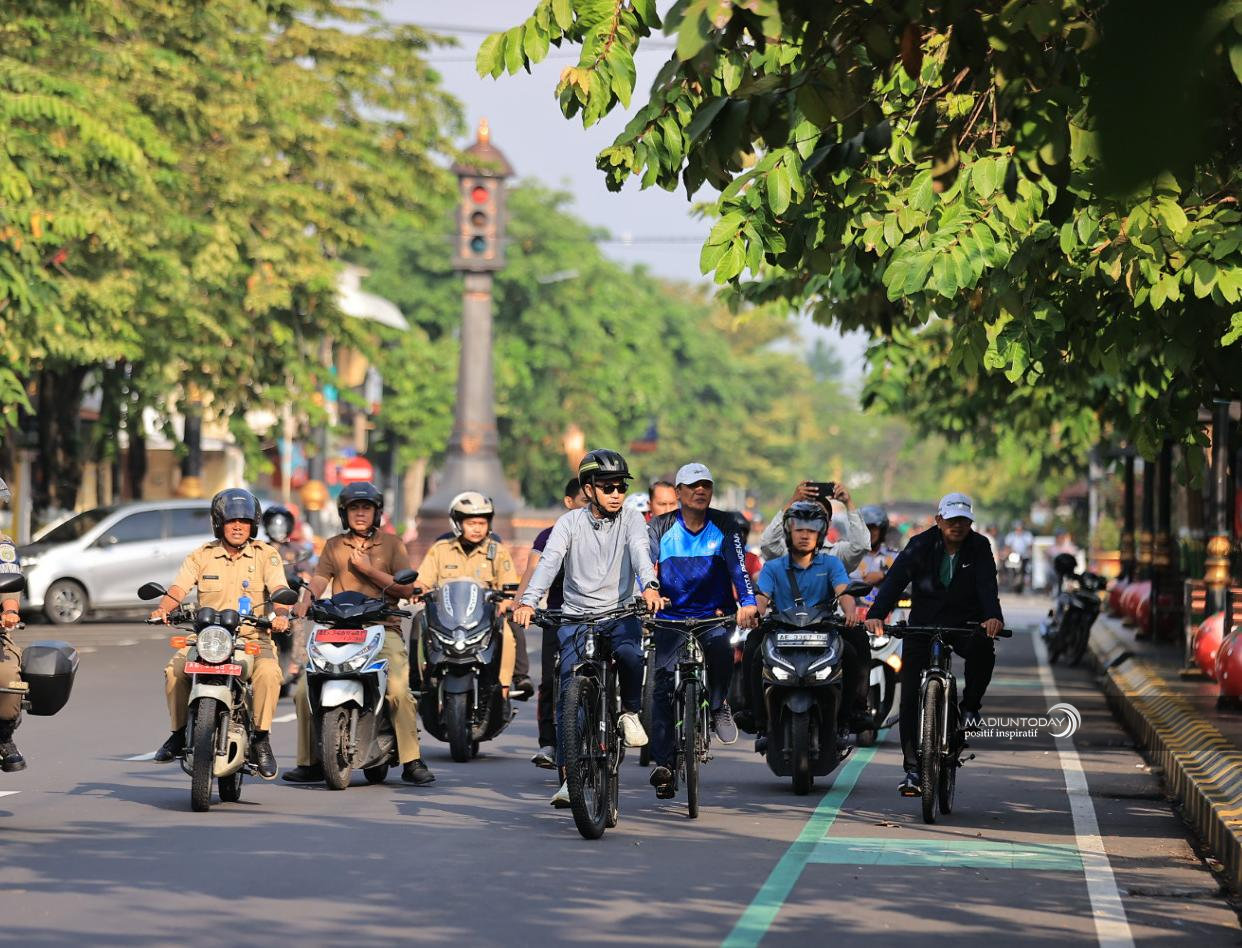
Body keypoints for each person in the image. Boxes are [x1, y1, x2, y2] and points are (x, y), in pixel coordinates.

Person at [512, 449, 663, 808]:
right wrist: (528, 602)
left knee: (630, 655)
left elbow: (641, 553)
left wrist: (650, 586)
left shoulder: (632, 519)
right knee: (569, 694)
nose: (616, 494)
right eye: (608, 487)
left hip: (620, 612)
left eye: (621, 487)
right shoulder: (568, 523)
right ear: (589, 489)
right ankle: (570, 779)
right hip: (577, 617)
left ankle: (629, 713)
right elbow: (548, 563)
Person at [283, 481, 434, 786]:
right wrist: (305, 601)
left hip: (382, 628)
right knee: (302, 692)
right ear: (344, 513)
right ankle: (310, 762)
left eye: (366, 508)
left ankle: (411, 760)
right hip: (338, 629)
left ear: (377, 513)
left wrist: (367, 570)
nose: (361, 513)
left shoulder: (392, 544)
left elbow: (406, 589)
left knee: (398, 691)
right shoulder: (333, 545)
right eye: (354, 508)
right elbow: (319, 579)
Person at [865, 492, 1004, 797]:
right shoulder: (920, 544)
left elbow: (987, 585)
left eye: (963, 520)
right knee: (909, 695)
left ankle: (970, 708)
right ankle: (913, 770)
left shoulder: (980, 546)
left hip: (965, 623)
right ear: (939, 520)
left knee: (984, 649)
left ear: (970, 523)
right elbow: (895, 580)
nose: (957, 525)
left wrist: (992, 617)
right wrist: (876, 614)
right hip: (923, 625)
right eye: (951, 520)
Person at [149, 488, 292, 778]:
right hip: (207, 639)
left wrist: (281, 615)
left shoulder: (266, 555)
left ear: (253, 524)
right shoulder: (201, 555)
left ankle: (261, 739)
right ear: (219, 523)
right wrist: (162, 609)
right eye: (231, 521)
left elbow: (279, 588)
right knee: (174, 671)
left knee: (269, 674)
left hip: (251, 638)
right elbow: (178, 588)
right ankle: (178, 733)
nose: (238, 526)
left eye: (244, 521)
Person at [646, 463, 758, 797]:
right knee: (662, 684)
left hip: (714, 614)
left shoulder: (725, 525)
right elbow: (644, 565)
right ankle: (664, 764)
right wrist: (647, 591)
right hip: (671, 617)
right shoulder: (660, 526)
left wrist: (748, 602)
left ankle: (719, 703)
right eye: (693, 486)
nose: (700, 491)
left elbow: (739, 568)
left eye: (706, 485)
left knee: (722, 652)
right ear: (678, 492)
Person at [748, 501, 864, 751]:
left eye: (811, 530)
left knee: (852, 652)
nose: (805, 535)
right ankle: (758, 720)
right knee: (754, 651)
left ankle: (848, 718)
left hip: (823, 631)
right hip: (781, 631)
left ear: (820, 533)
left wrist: (851, 613)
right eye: (799, 529)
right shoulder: (773, 567)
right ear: (788, 531)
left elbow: (844, 592)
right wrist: (753, 613)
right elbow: (761, 598)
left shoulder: (831, 564)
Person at [414, 491, 522, 699]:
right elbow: (423, 580)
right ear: (457, 523)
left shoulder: (497, 551)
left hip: (485, 617)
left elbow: (509, 585)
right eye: (471, 523)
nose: (477, 528)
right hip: (446, 617)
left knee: (508, 630)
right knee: (420, 621)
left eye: (482, 523)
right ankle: (418, 680)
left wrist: (507, 600)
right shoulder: (440, 549)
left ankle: (506, 685)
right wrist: (418, 589)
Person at [516, 477, 589, 769]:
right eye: (584, 500)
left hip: (597, 616)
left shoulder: (607, 533)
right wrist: (522, 604)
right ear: (569, 502)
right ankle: (548, 742)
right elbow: (533, 570)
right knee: (550, 681)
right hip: (558, 616)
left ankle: (607, 729)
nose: (591, 506)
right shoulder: (549, 536)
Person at [759, 480, 869, 571]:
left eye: (818, 518)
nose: (810, 523)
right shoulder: (785, 552)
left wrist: (848, 503)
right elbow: (767, 543)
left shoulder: (837, 554)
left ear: (828, 523)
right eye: (805, 517)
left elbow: (861, 546)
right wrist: (792, 501)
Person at [0, 477, 26, 772]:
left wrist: (10, 611)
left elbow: (9, 585)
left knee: (8, 677)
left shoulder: (2, 545)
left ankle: (4, 737)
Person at [852, 505, 901, 598]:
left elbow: (905, 578)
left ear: (882, 530)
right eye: (865, 528)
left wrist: (884, 575)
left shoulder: (895, 556)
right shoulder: (850, 557)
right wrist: (863, 581)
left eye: (873, 528)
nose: (869, 533)